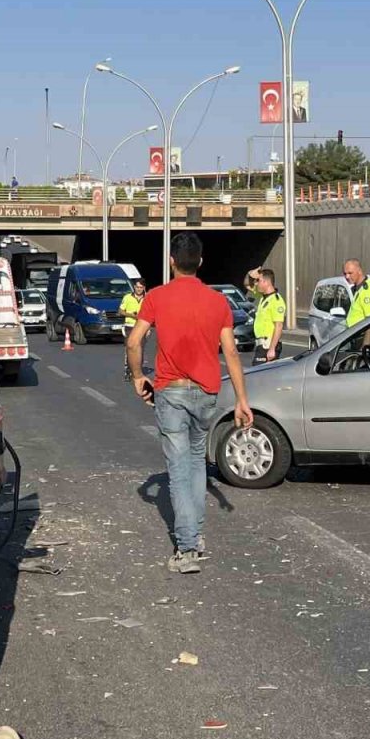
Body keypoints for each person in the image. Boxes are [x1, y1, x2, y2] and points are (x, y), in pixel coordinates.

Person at [127, 233, 253, 575]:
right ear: (200, 261)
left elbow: (135, 340)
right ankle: (195, 535)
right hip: (207, 392)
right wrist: (242, 400)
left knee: (179, 468)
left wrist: (138, 376)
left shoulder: (156, 297)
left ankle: (186, 547)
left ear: (171, 261)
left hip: (171, 391)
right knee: (197, 461)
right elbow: (230, 352)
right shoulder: (217, 302)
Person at [252, 269, 287, 365]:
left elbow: (279, 325)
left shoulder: (276, 301)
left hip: (268, 346)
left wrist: (272, 349)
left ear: (266, 282)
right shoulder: (263, 297)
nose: (256, 284)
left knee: (259, 375)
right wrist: (250, 274)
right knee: (258, 375)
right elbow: (247, 284)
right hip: (261, 345)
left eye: (258, 281)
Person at [119, 280, 146, 380]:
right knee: (130, 348)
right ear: (134, 287)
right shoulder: (127, 297)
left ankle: (137, 371)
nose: (139, 289)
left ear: (144, 288)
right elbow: (120, 311)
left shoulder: (147, 298)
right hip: (130, 326)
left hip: (142, 326)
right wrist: (131, 315)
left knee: (140, 349)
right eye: (137, 287)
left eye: (141, 288)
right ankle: (128, 370)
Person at [343, 259, 370, 328]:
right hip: (355, 334)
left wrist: (366, 339)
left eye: (350, 273)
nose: (347, 277)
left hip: (362, 335)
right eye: (345, 273)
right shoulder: (359, 288)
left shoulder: (367, 291)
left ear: (359, 271)